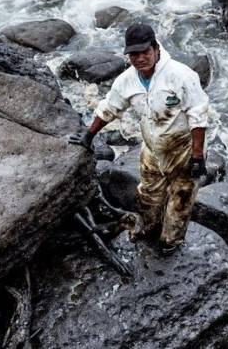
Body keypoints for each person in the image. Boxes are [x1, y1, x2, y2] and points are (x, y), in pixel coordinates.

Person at [69, 23, 209, 254]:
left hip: (183, 149)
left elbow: (198, 115)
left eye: (145, 52)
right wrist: (89, 134)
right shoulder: (127, 80)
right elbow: (110, 107)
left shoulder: (182, 75)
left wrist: (197, 156)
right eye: (134, 54)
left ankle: (170, 242)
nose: (140, 58)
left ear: (155, 48)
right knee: (148, 195)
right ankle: (149, 226)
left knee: (180, 200)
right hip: (152, 149)